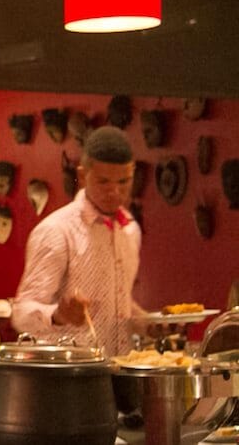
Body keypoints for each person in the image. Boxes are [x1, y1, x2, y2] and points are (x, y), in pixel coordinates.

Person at [12, 126, 145, 355]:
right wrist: (58, 315)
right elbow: (21, 313)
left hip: (118, 367)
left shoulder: (130, 229)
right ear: (83, 176)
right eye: (104, 182)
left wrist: (149, 325)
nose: (115, 191)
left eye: (124, 182)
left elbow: (120, 304)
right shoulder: (56, 230)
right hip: (66, 371)